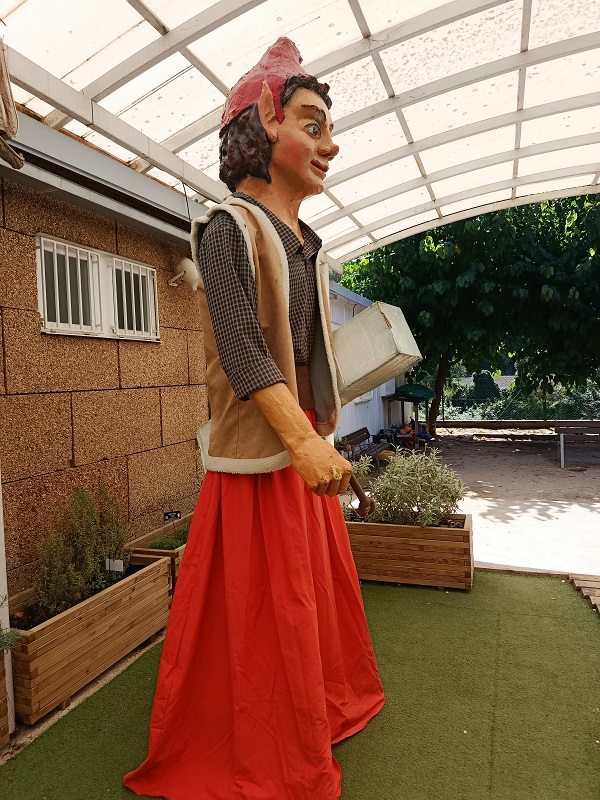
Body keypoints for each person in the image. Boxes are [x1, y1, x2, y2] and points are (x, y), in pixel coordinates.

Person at [124, 37, 384, 800]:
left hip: (303, 443)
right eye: (313, 124)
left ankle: (313, 711)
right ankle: (265, 741)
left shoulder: (306, 244)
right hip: (265, 454)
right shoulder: (226, 228)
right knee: (270, 609)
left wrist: (317, 431)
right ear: (264, 123)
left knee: (308, 600)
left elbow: (305, 353)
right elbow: (241, 349)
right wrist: (302, 440)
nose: (330, 145)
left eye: (329, 129)